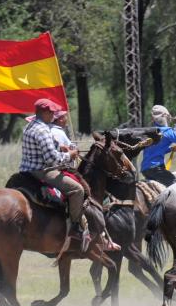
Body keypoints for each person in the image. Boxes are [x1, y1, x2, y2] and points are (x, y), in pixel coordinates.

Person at [20, 98, 118, 250]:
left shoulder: (30, 126)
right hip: (43, 171)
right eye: (51, 112)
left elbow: (44, 149)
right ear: (44, 112)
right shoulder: (43, 130)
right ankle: (75, 227)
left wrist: (61, 147)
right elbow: (52, 159)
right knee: (77, 189)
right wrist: (70, 155)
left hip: (27, 169)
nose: (53, 115)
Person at [141, 105, 176, 186]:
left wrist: (170, 149)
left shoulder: (151, 132)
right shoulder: (167, 131)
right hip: (156, 169)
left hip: (145, 170)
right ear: (165, 117)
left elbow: (154, 150)